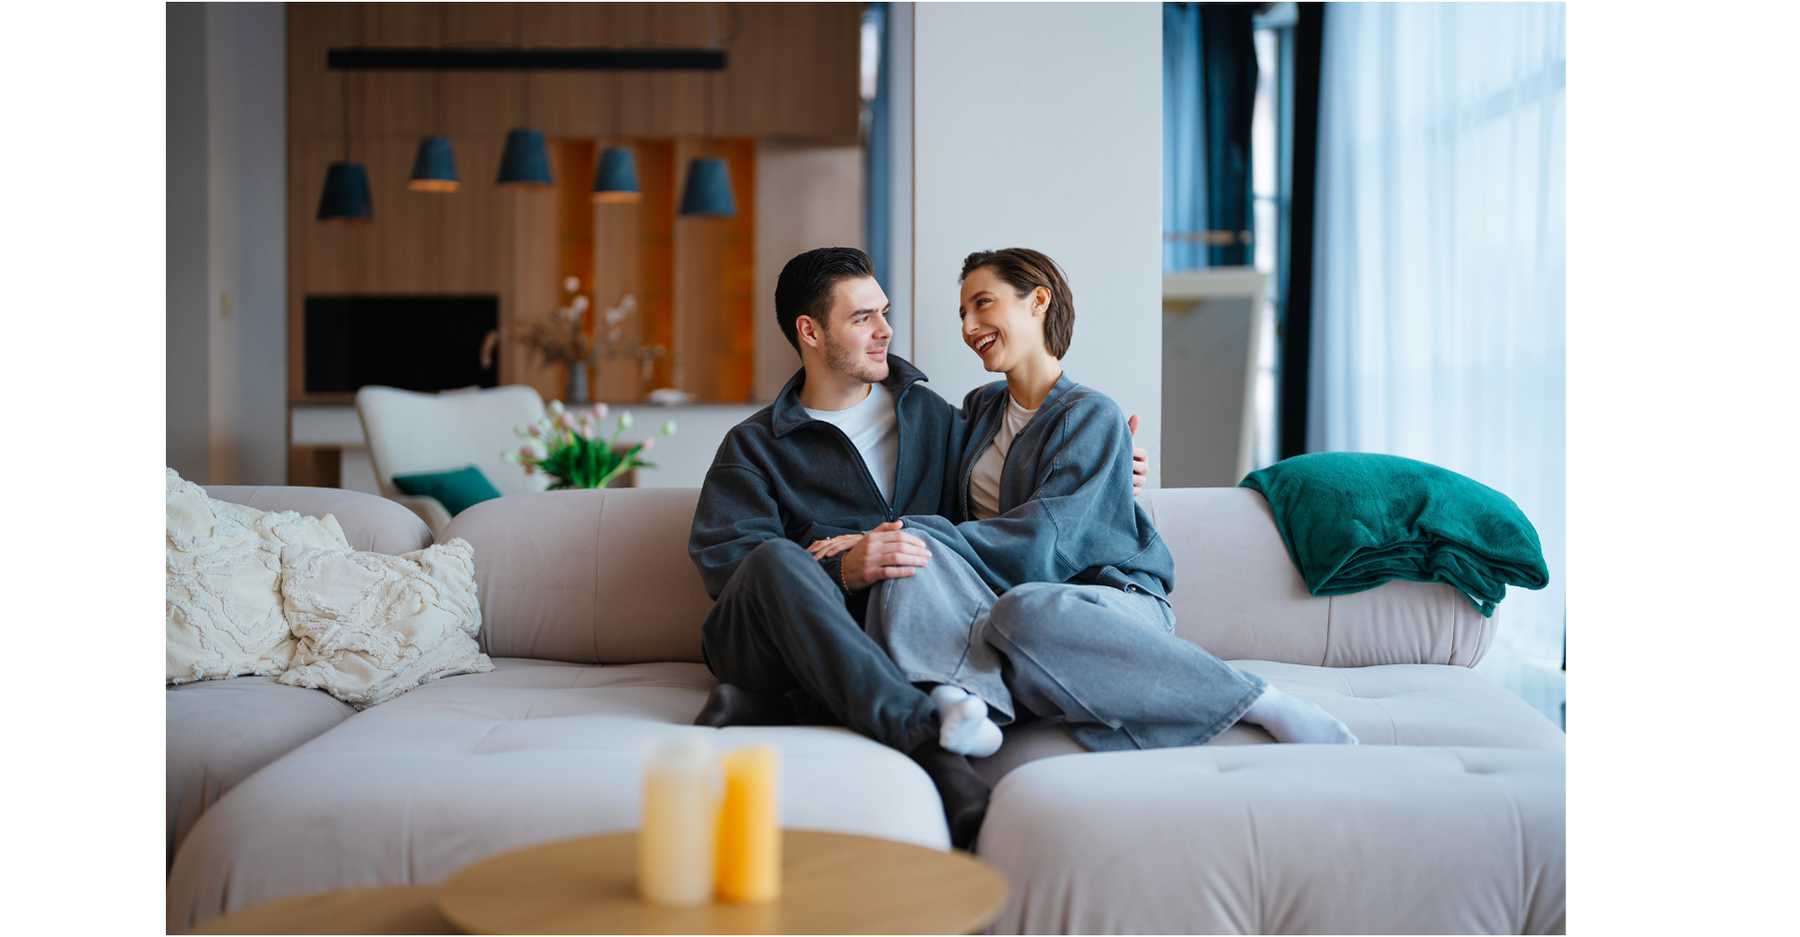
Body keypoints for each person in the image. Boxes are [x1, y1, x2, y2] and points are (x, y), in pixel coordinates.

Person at [816, 247, 1358, 764]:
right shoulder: (979, 411)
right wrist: (875, 541)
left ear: (1038, 300)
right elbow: (934, 497)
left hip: (1099, 603)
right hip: (1006, 604)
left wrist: (910, 530)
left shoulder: (1092, 414)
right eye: (962, 313)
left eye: (983, 303)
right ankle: (956, 695)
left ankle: (1263, 702)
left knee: (1020, 608)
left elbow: (1048, 542)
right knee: (905, 558)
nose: (967, 327)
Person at [686, 247, 1147, 849]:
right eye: (862, 319)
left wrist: (1110, 464)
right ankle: (930, 742)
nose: (886, 331)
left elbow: (1008, 498)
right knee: (777, 560)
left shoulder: (937, 420)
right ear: (810, 331)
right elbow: (728, 564)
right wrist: (842, 569)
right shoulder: (753, 446)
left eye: (883, 312)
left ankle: (792, 706)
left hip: (891, 636)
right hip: (771, 636)